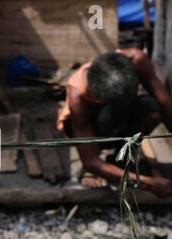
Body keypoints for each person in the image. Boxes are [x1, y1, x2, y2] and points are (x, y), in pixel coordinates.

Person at [56, 48, 172, 197]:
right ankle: (105, 168)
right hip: (86, 125)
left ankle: (120, 157)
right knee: (104, 125)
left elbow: (164, 101)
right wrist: (147, 183)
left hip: (117, 108)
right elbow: (90, 161)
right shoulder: (78, 96)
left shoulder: (137, 60)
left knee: (153, 113)